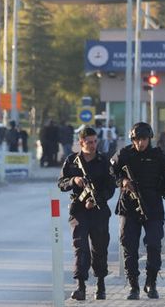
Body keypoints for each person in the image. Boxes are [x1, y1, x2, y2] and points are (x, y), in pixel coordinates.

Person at [110, 122, 165, 300]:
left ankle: (151, 282)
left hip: (153, 206)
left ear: (149, 139)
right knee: (129, 246)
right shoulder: (124, 154)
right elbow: (110, 170)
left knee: (154, 244)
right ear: (132, 139)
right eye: (137, 140)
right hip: (129, 207)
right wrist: (122, 181)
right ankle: (133, 285)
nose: (140, 143)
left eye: (144, 139)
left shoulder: (158, 156)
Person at [58, 127, 116, 301]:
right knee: (80, 248)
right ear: (81, 142)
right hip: (79, 211)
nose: (93, 145)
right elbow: (61, 183)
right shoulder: (72, 161)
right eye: (89, 142)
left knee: (99, 248)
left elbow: (111, 187)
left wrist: (98, 199)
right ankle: (80, 286)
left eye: (95, 141)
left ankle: (100, 285)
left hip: (98, 210)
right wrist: (73, 180)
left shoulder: (104, 161)